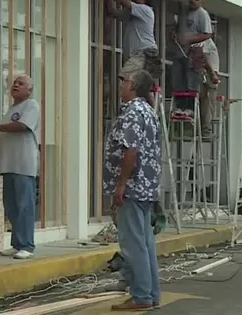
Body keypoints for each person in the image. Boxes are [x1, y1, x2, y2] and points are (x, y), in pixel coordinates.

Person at [103, 69, 162, 311]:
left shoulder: (133, 112)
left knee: (133, 244)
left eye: (125, 81)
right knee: (145, 243)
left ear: (134, 86)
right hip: (146, 187)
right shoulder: (149, 111)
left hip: (134, 187)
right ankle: (150, 293)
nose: (121, 86)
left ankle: (141, 296)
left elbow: (131, 151)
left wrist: (121, 184)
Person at [0, 74, 41, 260]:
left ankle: (27, 245)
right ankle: (17, 244)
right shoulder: (12, 109)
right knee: (11, 206)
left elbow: (22, 126)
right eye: (14, 83)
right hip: (8, 164)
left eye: (21, 83)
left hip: (23, 165)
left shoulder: (31, 105)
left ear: (29, 90)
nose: (16, 85)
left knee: (25, 205)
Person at [171, 0, 217, 137]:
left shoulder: (202, 14)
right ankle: (180, 107)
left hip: (194, 53)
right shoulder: (184, 12)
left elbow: (207, 34)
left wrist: (188, 40)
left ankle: (190, 108)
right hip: (180, 52)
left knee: (191, 80)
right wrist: (174, 33)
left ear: (201, 1)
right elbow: (179, 28)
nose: (193, 1)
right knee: (178, 80)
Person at [100, 0, 162, 81]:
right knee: (137, 83)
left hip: (144, 53)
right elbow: (112, 13)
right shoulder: (132, 14)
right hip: (139, 54)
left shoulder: (145, 10)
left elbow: (124, 2)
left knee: (127, 78)